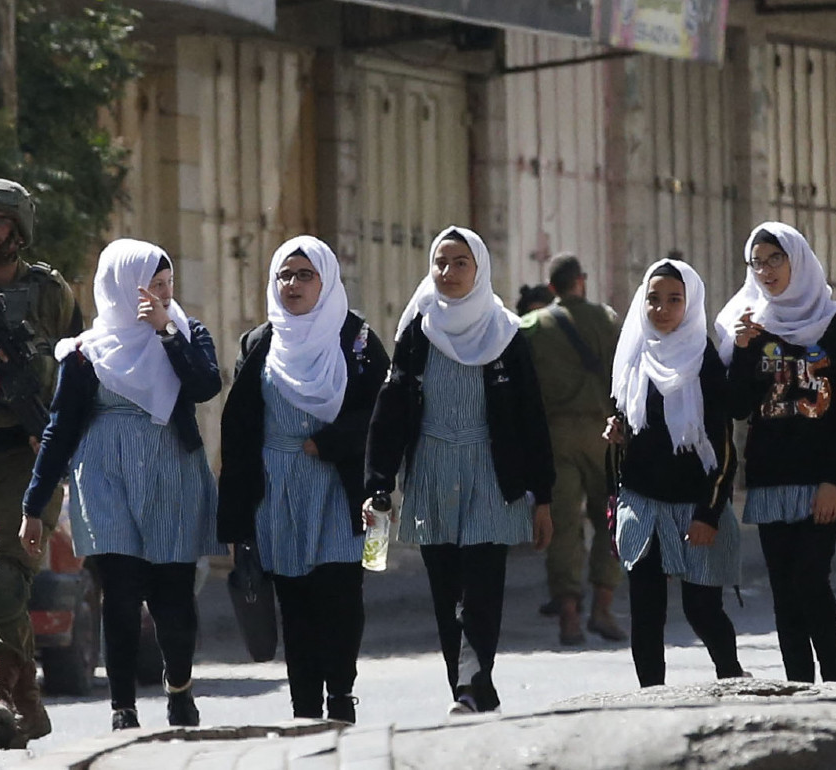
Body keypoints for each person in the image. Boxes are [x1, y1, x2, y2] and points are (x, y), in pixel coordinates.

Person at [23, 239, 223, 731]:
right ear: (119, 288)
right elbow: (59, 429)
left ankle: (179, 688)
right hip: (105, 478)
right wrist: (34, 503)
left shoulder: (186, 331)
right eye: (149, 287)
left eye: (166, 285)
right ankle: (123, 707)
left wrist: (166, 332)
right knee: (122, 591)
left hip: (170, 472)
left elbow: (204, 386)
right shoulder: (86, 354)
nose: (159, 295)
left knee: (173, 592)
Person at [365, 225, 555, 716]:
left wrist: (544, 497)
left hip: (492, 476)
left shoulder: (506, 334)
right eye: (441, 263)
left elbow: (531, 418)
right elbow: (392, 410)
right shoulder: (417, 331)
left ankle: (473, 681)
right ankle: (469, 686)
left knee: (481, 586)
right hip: (432, 472)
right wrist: (379, 483)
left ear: (480, 270)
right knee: (445, 587)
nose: (448, 273)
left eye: (460, 263)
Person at [217, 236, 389, 723]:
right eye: (284, 276)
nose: (292, 285)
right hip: (276, 490)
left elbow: (384, 408)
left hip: (338, 488)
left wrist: (331, 444)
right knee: (294, 601)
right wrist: (236, 519)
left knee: (339, 594)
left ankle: (341, 693)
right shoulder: (260, 343)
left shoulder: (355, 340)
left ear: (327, 281)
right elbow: (240, 430)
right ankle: (305, 708)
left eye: (304, 275)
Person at [713, 222, 836, 684]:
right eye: (756, 263)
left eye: (775, 260)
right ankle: (799, 684)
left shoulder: (835, 322)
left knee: (809, 577)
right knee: (783, 588)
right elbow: (740, 408)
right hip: (773, 475)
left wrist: (833, 481)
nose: (765, 272)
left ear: (797, 260)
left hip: (822, 476)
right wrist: (741, 351)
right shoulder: (752, 324)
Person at [0, 178, 81, 748]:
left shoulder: (51, 294)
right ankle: (26, 694)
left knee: (3, 579)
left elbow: (81, 370)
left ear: (19, 229)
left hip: (28, 456)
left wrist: (56, 435)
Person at [608, 259, 743, 687]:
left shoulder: (703, 362)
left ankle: (733, 679)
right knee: (646, 610)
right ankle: (651, 698)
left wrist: (709, 513)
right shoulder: (633, 354)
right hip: (642, 502)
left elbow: (723, 446)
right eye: (653, 299)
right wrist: (616, 433)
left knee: (701, 609)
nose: (662, 309)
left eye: (674, 300)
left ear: (691, 303)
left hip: (694, 506)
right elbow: (625, 416)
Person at [520, 253, 626, 645]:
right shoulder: (608, 319)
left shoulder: (532, 326)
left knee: (562, 525)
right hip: (604, 436)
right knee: (610, 520)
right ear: (581, 280)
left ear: (551, 288)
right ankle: (603, 605)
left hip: (555, 438)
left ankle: (568, 615)